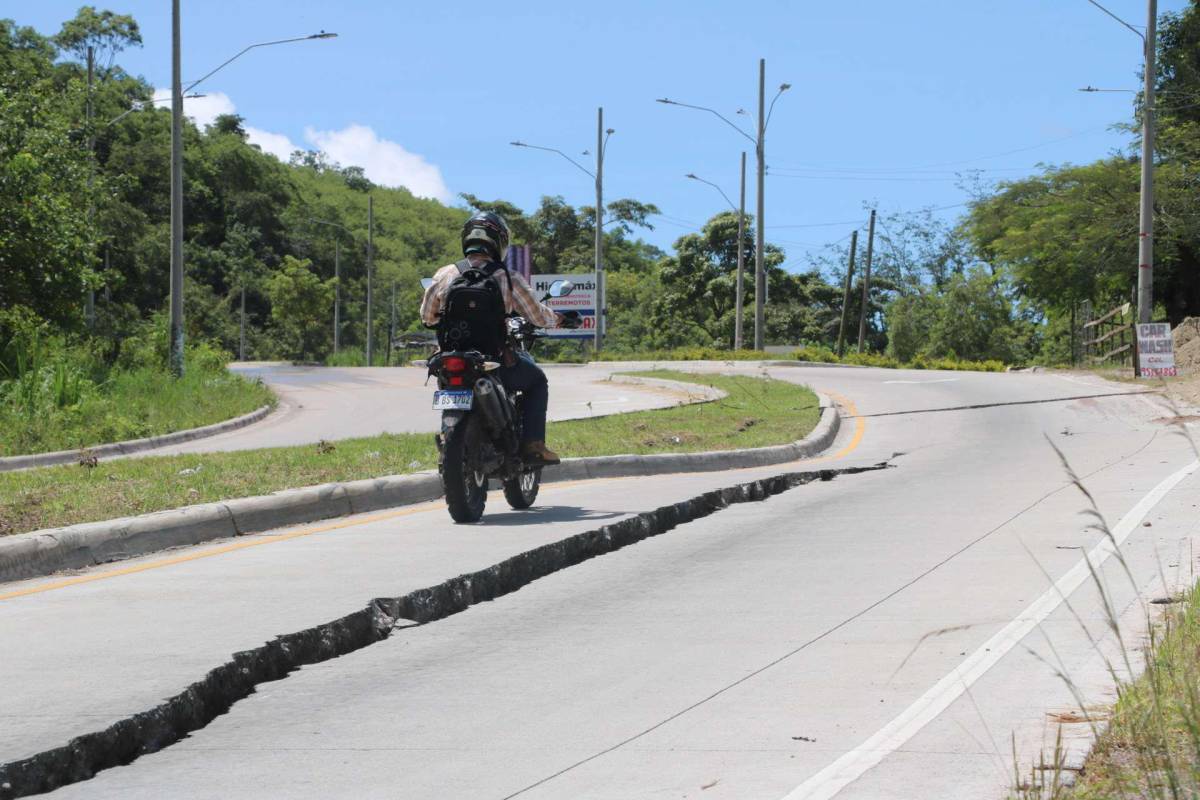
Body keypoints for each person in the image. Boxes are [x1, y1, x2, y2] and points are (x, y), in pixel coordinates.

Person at [420, 211, 564, 466]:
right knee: (537, 381)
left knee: (447, 383)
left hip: (451, 359)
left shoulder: (445, 274)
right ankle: (533, 446)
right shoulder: (506, 277)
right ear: (499, 243)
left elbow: (427, 316)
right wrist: (559, 319)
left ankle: (447, 438)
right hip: (494, 360)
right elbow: (537, 316)